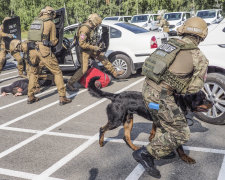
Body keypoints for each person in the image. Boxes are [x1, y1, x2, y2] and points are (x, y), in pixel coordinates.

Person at [132, 17, 209, 178]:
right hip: (160, 97)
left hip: (147, 91)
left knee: (163, 121)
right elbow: (194, 88)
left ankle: (162, 149)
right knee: (181, 132)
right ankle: (146, 153)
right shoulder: (199, 56)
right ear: (201, 36)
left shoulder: (170, 43)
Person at [66, 13, 125, 91]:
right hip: (84, 51)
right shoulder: (84, 29)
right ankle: (70, 83)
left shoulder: (90, 28)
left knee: (102, 56)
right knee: (84, 69)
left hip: (90, 48)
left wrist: (96, 46)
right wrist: (94, 47)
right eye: (97, 24)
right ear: (93, 22)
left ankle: (115, 72)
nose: (97, 26)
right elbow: (82, 44)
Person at [27, 6, 71, 105]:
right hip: (43, 50)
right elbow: (54, 41)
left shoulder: (34, 22)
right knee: (57, 72)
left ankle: (30, 96)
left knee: (34, 73)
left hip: (32, 50)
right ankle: (63, 97)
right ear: (50, 13)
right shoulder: (50, 23)